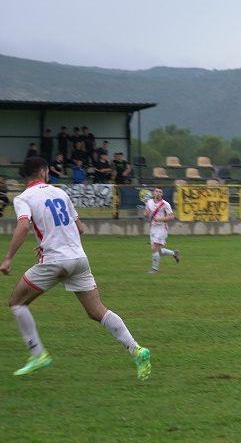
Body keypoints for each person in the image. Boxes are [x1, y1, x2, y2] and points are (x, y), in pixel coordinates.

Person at [0, 157, 152, 379]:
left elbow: (23, 226)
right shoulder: (61, 192)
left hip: (54, 260)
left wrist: (8, 258)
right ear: (43, 171)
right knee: (97, 311)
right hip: (78, 259)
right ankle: (137, 349)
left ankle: (37, 354)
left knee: (16, 302)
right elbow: (79, 228)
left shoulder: (24, 197)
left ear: (26, 176)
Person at [144, 188, 180, 273]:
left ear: (162, 194)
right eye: (156, 191)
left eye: (160, 192)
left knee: (154, 248)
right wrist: (145, 214)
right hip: (153, 228)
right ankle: (174, 253)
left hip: (162, 228)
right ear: (153, 193)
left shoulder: (165, 204)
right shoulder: (149, 202)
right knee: (158, 251)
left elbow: (171, 216)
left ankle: (154, 269)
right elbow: (147, 213)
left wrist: (160, 219)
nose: (158, 193)